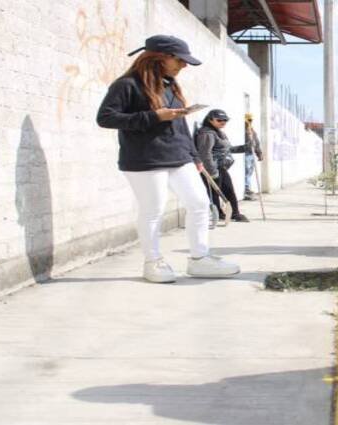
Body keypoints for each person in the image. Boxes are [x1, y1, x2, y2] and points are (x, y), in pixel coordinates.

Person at [96, 35, 240, 283]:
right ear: (160, 57)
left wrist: (194, 156)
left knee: (199, 203)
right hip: (145, 159)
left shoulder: (169, 84)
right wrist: (154, 117)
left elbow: (181, 127)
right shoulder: (127, 84)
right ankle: (153, 262)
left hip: (179, 156)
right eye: (180, 60)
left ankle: (199, 259)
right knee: (154, 210)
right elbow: (105, 118)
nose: (183, 66)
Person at [195, 109, 249, 223]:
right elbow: (205, 154)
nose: (223, 122)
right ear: (210, 120)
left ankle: (235, 213)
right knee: (214, 193)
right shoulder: (206, 133)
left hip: (221, 168)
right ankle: (218, 214)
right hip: (212, 168)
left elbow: (227, 149)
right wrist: (212, 172)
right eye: (219, 120)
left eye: (225, 120)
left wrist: (244, 148)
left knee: (229, 190)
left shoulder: (219, 132)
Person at [234, 113, 264, 201]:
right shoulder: (242, 130)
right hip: (245, 153)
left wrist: (259, 153)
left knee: (249, 173)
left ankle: (248, 188)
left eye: (250, 120)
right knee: (246, 172)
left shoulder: (252, 130)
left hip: (251, 154)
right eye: (248, 120)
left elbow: (256, 142)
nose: (249, 122)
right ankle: (247, 190)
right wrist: (247, 131)